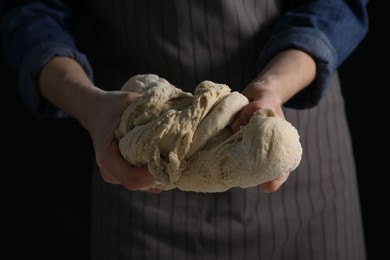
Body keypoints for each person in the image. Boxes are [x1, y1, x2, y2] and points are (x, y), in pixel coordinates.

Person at [1, 0, 369, 259]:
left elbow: (337, 3)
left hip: (298, 159)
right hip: (136, 166)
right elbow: (31, 13)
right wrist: (90, 104)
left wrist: (273, 87)